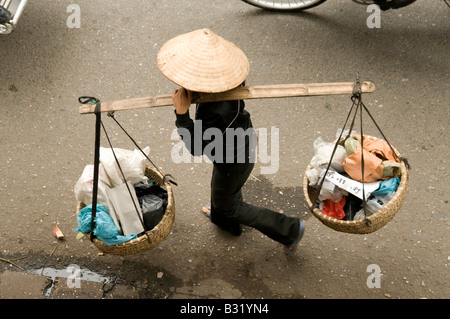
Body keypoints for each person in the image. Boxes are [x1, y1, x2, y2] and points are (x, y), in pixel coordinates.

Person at [157, 29, 305, 255]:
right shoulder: (228, 81)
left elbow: (196, 147)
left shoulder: (215, 112)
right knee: (224, 191)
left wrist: (182, 114)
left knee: (228, 204)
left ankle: (290, 229)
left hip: (232, 159)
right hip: (239, 143)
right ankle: (222, 215)